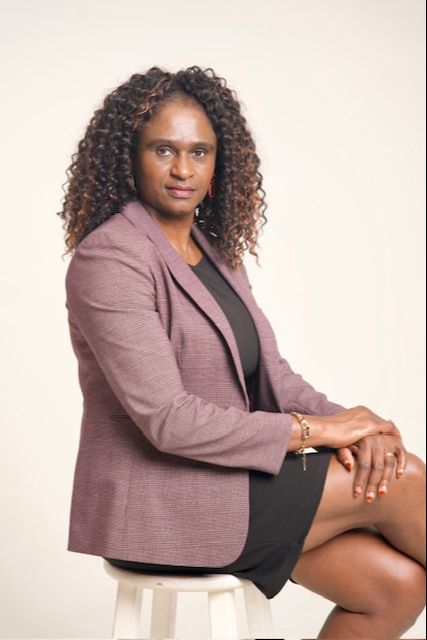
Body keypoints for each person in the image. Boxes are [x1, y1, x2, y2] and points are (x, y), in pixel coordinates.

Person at [59, 66, 425, 639]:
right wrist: (317, 432)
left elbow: (272, 377)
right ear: (129, 157)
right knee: (404, 479)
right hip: (163, 503)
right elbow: (169, 420)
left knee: (395, 587)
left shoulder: (215, 254)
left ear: (218, 163)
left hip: (232, 482)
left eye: (200, 152)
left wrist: (358, 427)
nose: (184, 169)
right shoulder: (110, 258)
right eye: (164, 150)